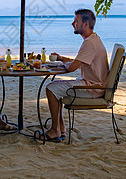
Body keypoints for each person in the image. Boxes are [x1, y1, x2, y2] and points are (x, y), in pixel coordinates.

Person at [45, 9, 109, 141]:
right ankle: (60, 128)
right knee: (56, 88)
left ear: (85, 24)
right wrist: (61, 59)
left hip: (93, 88)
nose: (72, 23)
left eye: (76, 21)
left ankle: (54, 130)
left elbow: (72, 68)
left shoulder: (89, 43)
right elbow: (78, 62)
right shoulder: (94, 39)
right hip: (96, 85)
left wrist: (64, 65)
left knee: (51, 88)